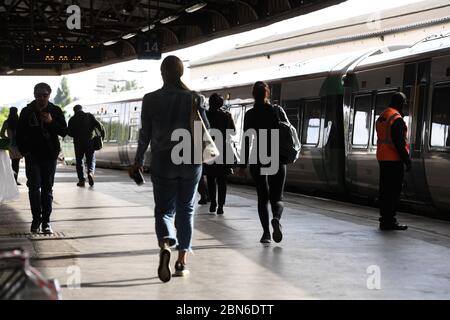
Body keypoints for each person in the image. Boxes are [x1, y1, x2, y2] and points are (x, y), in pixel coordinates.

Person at [129, 55, 209, 283]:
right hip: (191, 159)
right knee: (186, 210)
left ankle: (166, 242)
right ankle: (182, 262)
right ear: (181, 73)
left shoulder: (150, 99)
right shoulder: (194, 98)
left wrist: (138, 161)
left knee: (164, 210)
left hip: (163, 159)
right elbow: (206, 130)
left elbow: (144, 134)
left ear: (162, 73)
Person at [237, 81, 289, 244]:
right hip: (276, 155)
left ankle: (266, 233)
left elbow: (246, 140)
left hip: (257, 156)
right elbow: (288, 131)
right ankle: (276, 219)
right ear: (267, 93)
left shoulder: (250, 114)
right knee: (277, 197)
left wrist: (242, 164)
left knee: (262, 197)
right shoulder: (275, 111)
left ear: (253, 94)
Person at [16, 83, 68, 234]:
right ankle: (35, 220)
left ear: (49, 95)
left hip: (50, 156)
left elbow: (64, 131)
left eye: (45, 95)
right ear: (34, 95)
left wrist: (51, 122)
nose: (42, 98)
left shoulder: (55, 111)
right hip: (32, 156)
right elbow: (19, 134)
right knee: (33, 188)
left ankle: (46, 221)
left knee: (47, 189)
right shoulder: (26, 112)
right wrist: (24, 151)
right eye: (39, 95)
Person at [375, 92, 410, 231]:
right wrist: (407, 160)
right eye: (404, 104)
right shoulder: (396, 118)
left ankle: (384, 219)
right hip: (394, 160)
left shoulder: (383, 116)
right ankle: (390, 221)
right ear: (400, 103)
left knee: (384, 191)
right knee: (393, 192)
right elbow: (399, 142)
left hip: (382, 158)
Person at [204, 93, 236, 215]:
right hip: (223, 150)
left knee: (211, 178)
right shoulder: (226, 116)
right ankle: (221, 206)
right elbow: (233, 132)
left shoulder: (205, 115)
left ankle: (213, 202)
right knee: (222, 180)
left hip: (209, 150)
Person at [67, 104, 105, 187]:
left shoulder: (72, 119)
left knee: (79, 161)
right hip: (89, 142)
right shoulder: (89, 116)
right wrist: (102, 137)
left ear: (74, 111)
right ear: (82, 109)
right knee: (90, 160)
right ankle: (90, 173)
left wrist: (76, 135)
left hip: (78, 143)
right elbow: (100, 126)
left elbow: (69, 132)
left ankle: (81, 180)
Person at [0, 107, 22, 185]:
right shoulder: (20, 122)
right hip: (19, 145)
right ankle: (15, 180)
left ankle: (13, 180)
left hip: (11, 145)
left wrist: (7, 139)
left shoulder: (7, 122)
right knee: (16, 163)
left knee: (13, 162)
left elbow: (1, 134)